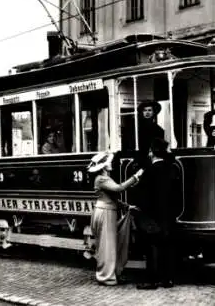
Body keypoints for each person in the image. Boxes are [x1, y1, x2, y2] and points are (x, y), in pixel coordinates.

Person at [87, 151, 144, 286]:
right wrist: (136, 176)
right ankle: (106, 276)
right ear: (104, 166)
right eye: (109, 163)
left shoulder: (104, 178)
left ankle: (111, 274)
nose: (111, 164)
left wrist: (126, 206)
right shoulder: (102, 179)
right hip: (105, 212)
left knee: (110, 244)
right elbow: (119, 189)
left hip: (106, 210)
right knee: (108, 245)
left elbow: (112, 198)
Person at [135, 138, 178, 290]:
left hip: (152, 215)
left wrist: (140, 209)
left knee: (152, 247)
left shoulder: (149, 171)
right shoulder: (171, 168)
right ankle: (168, 280)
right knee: (168, 247)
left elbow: (143, 195)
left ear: (152, 153)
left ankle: (151, 281)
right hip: (169, 214)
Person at [136, 100, 165, 167]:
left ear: (153, 112)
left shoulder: (159, 130)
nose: (147, 112)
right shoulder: (136, 129)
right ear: (142, 112)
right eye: (145, 110)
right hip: (138, 158)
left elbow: (159, 147)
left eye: (149, 110)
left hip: (152, 160)